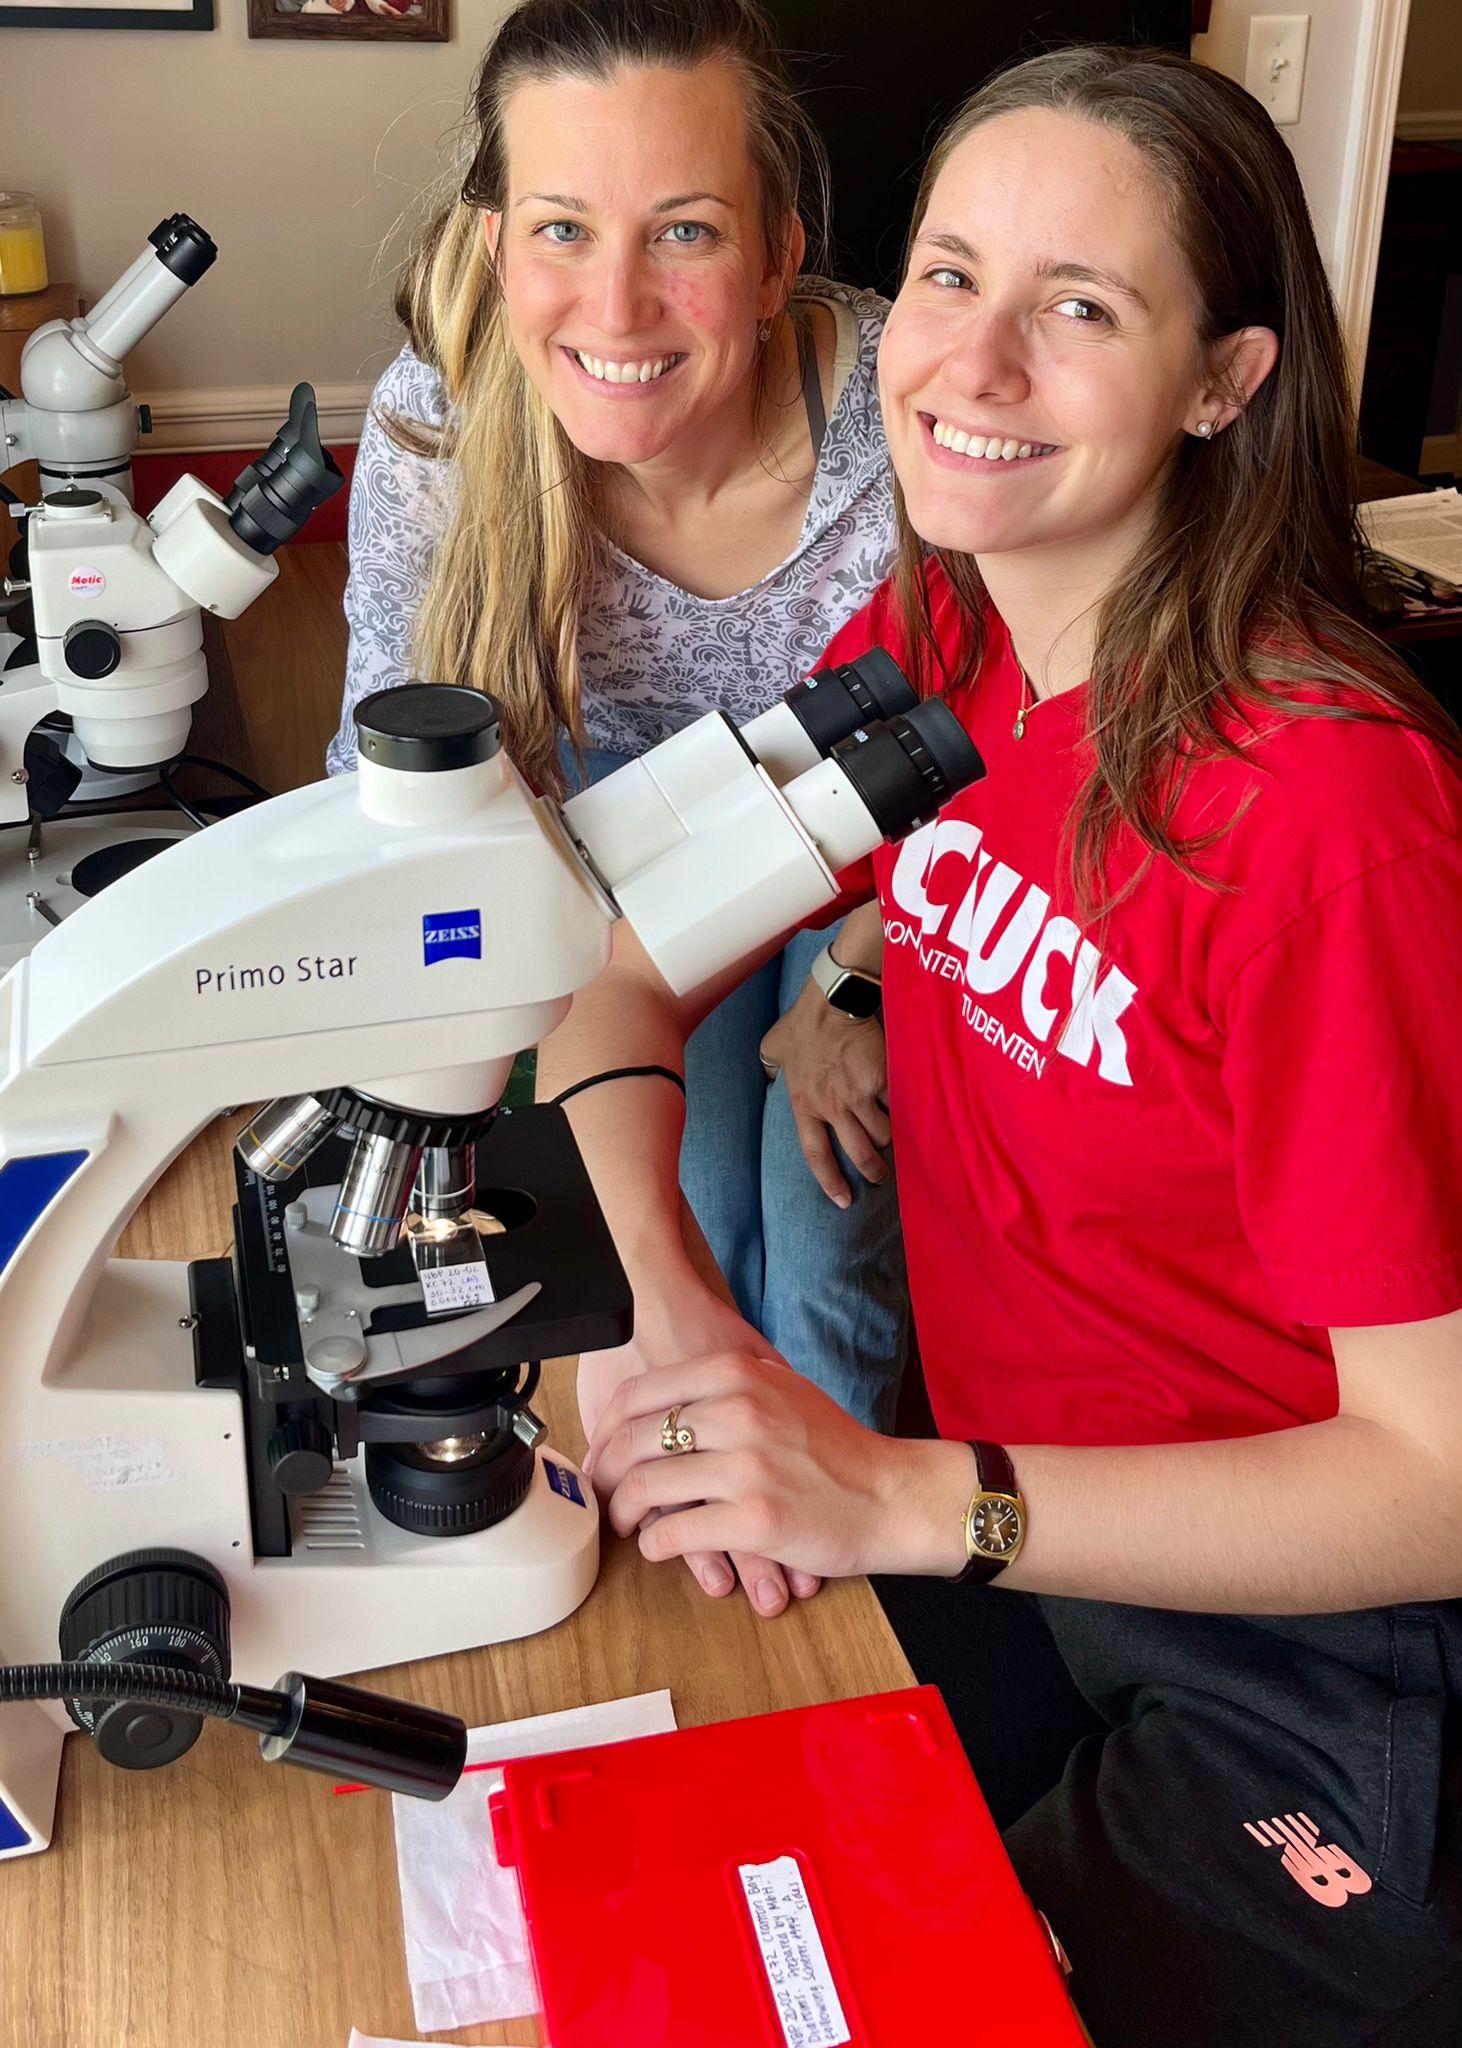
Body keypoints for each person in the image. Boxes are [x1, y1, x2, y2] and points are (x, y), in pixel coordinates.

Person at [538, 45, 1462, 2047]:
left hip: (1301, 1646)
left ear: (1221, 377)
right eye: (950, 275)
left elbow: (1437, 1474)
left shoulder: (1317, 806)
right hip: (1019, 1546)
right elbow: (608, 975)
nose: (970, 362)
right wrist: (667, 1317)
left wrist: (895, 1499)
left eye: (1080, 306)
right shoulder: (938, 643)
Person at [326, 0, 912, 1580]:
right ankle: (702, 1518)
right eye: (563, 229)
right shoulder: (439, 424)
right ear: (496, 238)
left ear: (782, 244)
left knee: (828, 1218)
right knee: (678, 1214)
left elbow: (994, 745)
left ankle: (835, 1570)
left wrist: (850, 993)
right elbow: (389, 770)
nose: (617, 302)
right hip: (608, 819)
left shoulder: (902, 422)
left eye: (688, 231)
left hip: (876, 828)